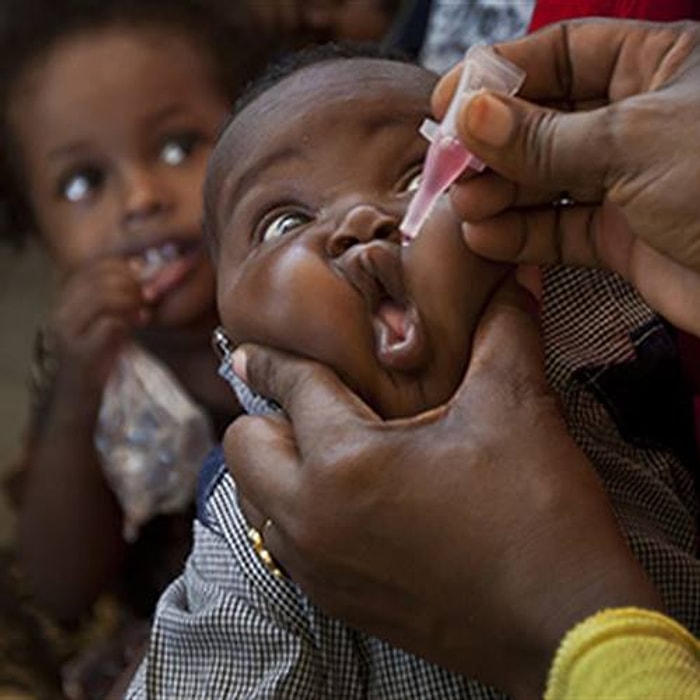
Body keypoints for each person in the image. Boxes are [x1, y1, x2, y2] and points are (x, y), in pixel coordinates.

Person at [127, 44, 698, 699]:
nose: (363, 223)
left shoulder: (619, 359)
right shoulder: (264, 535)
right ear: (235, 333)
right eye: (283, 221)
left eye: (414, 174)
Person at [0, 0, 270, 696]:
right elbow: (62, 591)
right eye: (83, 183)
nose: (141, 198)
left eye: (179, 147)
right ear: (38, 226)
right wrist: (77, 390)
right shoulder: (100, 369)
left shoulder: (304, 296)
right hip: (171, 642)